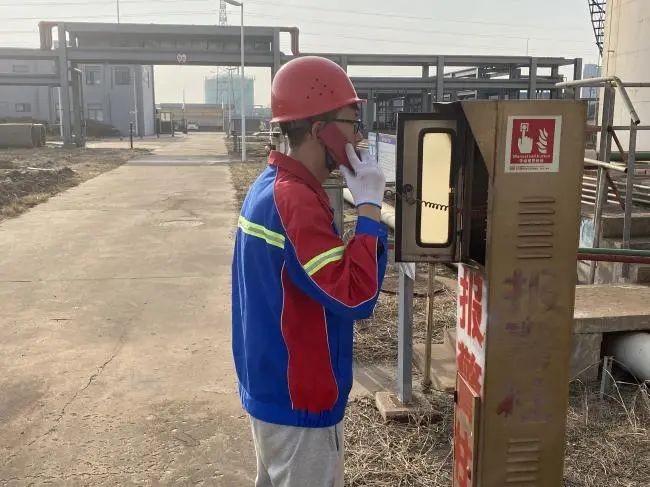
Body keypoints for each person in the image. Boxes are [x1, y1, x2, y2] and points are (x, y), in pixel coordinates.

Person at [232, 56, 388, 487]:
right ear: (321, 130)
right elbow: (354, 295)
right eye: (352, 122)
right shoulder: (296, 201)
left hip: (272, 387)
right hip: (299, 400)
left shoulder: (270, 186)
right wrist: (370, 210)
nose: (359, 136)